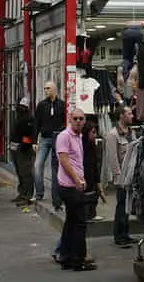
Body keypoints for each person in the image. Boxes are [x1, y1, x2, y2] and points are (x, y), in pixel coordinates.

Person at [55, 110, 95, 271]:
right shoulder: (65, 136)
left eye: (81, 119)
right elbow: (63, 160)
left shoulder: (78, 136)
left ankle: (66, 257)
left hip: (76, 185)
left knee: (71, 221)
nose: (78, 121)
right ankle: (78, 259)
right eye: (75, 119)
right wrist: (77, 180)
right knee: (79, 223)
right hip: (70, 186)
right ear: (70, 120)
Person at [104, 105, 136, 247]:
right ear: (121, 116)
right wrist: (118, 177)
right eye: (129, 113)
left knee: (127, 205)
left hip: (131, 174)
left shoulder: (132, 132)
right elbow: (112, 158)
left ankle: (125, 233)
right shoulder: (112, 135)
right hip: (122, 176)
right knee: (122, 205)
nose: (132, 116)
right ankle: (119, 236)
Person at [32, 82, 66, 209]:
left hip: (58, 138)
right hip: (45, 138)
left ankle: (57, 197)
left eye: (48, 88)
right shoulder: (41, 105)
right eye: (45, 88)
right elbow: (37, 122)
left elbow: (64, 121)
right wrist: (34, 141)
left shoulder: (61, 105)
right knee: (37, 165)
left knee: (56, 169)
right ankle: (39, 192)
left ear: (54, 90)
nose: (46, 90)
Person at [10, 96, 36, 204]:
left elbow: (29, 135)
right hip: (15, 147)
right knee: (20, 172)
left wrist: (24, 145)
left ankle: (27, 195)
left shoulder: (28, 119)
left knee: (25, 172)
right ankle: (22, 193)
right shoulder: (19, 118)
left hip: (23, 149)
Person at [83, 122, 105, 221]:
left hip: (92, 175)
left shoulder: (93, 147)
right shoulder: (82, 146)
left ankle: (91, 213)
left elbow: (95, 166)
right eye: (93, 133)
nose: (95, 135)